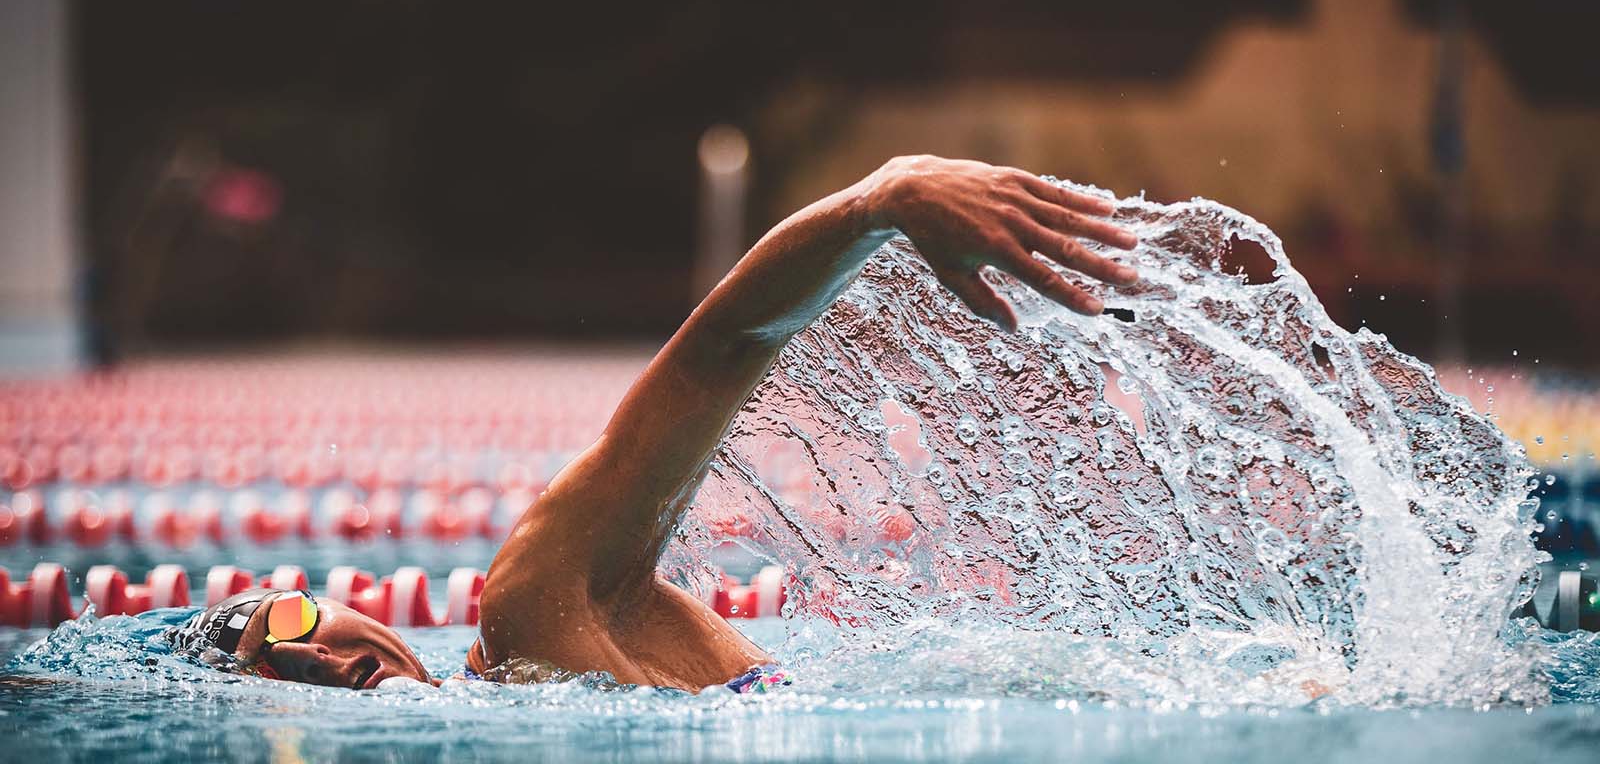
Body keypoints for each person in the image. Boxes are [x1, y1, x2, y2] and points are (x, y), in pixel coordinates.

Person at [174, 155, 1139, 691]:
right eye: (273, 682)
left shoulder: (536, 612)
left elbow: (721, 349)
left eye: (291, 618)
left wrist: (878, 203)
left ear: (354, 608)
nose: (310, 655)